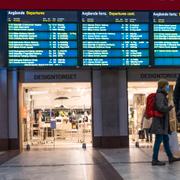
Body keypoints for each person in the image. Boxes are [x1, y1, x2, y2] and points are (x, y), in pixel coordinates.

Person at [150, 79, 180, 166]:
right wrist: (170, 107)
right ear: (163, 86)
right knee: (158, 141)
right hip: (159, 123)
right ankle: (154, 160)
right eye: (166, 85)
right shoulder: (160, 95)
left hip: (163, 124)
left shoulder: (162, 95)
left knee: (166, 140)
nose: (167, 87)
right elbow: (160, 107)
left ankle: (170, 157)